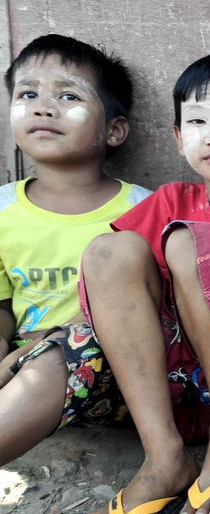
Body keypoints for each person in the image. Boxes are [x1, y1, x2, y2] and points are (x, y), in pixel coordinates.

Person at [1, 50, 210, 514]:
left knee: (190, 242)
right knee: (108, 249)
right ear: (179, 139)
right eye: (198, 122)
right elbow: (113, 293)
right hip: (164, 387)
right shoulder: (167, 201)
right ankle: (165, 459)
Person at [0, 34, 150, 370]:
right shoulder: (2, 209)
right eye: (28, 94)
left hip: (110, 368)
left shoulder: (144, 211)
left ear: (114, 130)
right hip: (20, 366)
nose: (42, 107)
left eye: (68, 95)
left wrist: (21, 359)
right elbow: (3, 307)